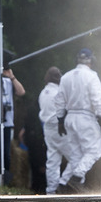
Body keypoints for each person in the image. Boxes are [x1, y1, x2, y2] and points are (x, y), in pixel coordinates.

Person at [55, 48, 101, 194]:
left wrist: (60, 120)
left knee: (76, 155)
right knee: (94, 151)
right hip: (86, 117)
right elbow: (97, 99)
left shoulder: (66, 77)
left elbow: (59, 100)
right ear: (91, 60)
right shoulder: (92, 76)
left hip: (69, 118)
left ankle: (62, 183)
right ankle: (77, 178)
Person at [38, 66, 65, 194]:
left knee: (53, 159)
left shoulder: (43, 93)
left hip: (47, 128)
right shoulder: (59, 92)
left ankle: (51, 190)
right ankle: (65, 183)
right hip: (59, 127)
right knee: (77, 155)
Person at [1, 63, 25, 180]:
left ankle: (5, 176)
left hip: (7, 123)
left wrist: (12, 77)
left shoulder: (9, 82)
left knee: (6, 152)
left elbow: (21, 92)